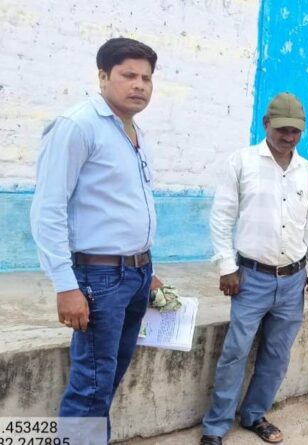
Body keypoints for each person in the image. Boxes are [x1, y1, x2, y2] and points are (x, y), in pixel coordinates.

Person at [29, 37, 161, 438]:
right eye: (128, 75)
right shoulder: (78, 126)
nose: (139, 85)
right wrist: (65, 285)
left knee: (108, 378)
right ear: (103, 77)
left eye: (146, 78)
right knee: (91, 386)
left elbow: (125, 207)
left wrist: (147, 268)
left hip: (135, 274)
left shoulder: (134, 131)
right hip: (98, 279)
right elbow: (48, 208)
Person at [201, 93, 308, 445]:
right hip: (251, 278)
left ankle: (255, 414)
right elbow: (221, 217)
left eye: (295, 131)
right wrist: (226, 266)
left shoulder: (307, 171)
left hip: (293, 280)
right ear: (266, 124)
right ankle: (215, 426)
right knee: (235, 352)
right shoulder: (242, 162)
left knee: (277, 354)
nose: (289, 137)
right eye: (282, 129)